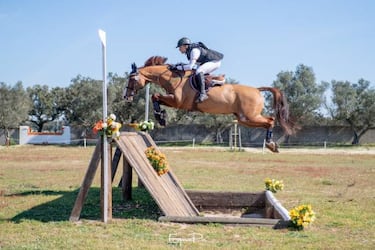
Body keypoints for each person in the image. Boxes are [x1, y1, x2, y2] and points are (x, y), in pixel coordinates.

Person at [174, 37, 224, 102]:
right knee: (195, 73)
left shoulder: (194, 51)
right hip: (206, 62)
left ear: (185, 46)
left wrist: (177, 67)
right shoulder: (189, 52)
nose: (179, 49)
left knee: (199, 71)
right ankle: (213, 82)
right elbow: (192, 66)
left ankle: (203, 93)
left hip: (214, 62)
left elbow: (190, 67)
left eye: (180, 47)